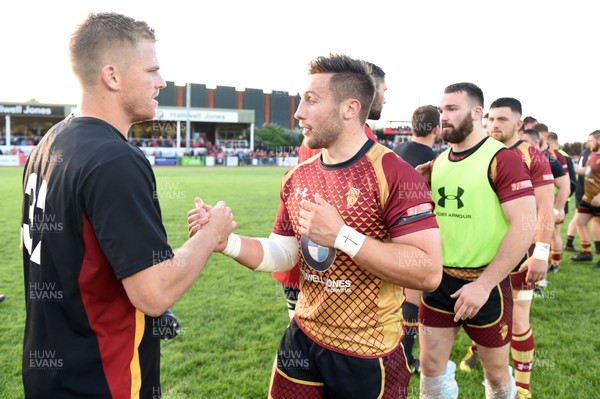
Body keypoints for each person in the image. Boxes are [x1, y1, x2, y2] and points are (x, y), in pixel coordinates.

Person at [190, 54, 442, 398]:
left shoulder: (394, 174)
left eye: (311, 100)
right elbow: (283, 254)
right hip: (302, 339)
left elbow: (428, 271)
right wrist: (226, 241)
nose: (298, 112)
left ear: (350, 108)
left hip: (368, 353)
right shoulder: (297, 176)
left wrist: (342, 236)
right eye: (300, 100)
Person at [20, 12, 235, 398]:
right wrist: (212, 234)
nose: (161, 82)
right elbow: (152, 293)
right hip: (103, 379)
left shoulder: (51, 141)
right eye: (151, 70)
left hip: (50, 376)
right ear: (112, 76)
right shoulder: (113, 160)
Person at [418, 83, 536, 399]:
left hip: (487, 285)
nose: (443, 117)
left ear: (476, 112)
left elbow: (525, 226)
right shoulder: (438, 162)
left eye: (452, 109)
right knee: (430, 366)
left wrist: (483, 285)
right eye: (441, 110)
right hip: (439, 281)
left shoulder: (503, 159)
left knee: (496, 372)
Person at [272, 61, 388, 319]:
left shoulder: (350, 137)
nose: (384, 98)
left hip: (316, 264)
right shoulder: (338, 138)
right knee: (312, 335)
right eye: (382, 90)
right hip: (326, 269)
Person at [480, 97, 569, 399]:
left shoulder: (533, 156)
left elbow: (545, 209)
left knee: (518, 318)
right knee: (485, 311)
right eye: (490, 119)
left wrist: (541, 253)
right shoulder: (482, 152)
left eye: (502, 120)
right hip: (484, 251)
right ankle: (476, 355)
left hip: (523, 253)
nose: (494, 125)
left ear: (518, 124)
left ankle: (522, 388)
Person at [393, 104, 440, 373]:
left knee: (397, 295)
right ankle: (406, 358)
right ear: (437, 129)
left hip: (387, 232)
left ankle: (398, 351)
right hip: (414, 231)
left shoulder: (393, 152)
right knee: (413, 298)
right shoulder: (436, 160)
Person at [569, 130, 600, 269]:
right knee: (580, 222)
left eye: (591, 140)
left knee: (597, 227)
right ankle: (587, 253)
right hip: (587, 197)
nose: (588, 143)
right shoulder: (592, 154)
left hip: (598, 198)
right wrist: (570, 167)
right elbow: (586, 171)